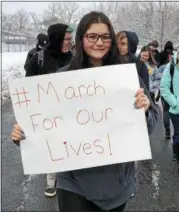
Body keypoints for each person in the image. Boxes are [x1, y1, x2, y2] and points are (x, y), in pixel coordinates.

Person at [11, 11, 158, 211]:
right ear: (81, 39)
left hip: (116, 184)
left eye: (105, 37)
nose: (99, 42)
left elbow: (149, 124)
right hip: (73, 183)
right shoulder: (62, 79)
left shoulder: (126, 76)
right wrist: (23, 134)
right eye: (92, 36)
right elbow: (45, 124)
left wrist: (145, 111)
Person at [14, 23, 74, 198]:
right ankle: (51, 179)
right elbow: (28, 87)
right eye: (66, 40)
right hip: (46, 114)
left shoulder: (74, 59)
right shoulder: (38, 59)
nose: (70, 43)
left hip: (69, 112)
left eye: (71, 39)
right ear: (56, 39)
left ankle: (68, 177)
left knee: (68, 144)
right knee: (51, 145)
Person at [160, 50, 179, 169]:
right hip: (176, 109)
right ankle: (177, 154)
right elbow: (164, 88)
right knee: (178, 133)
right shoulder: (170, 66)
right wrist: (175, 103)